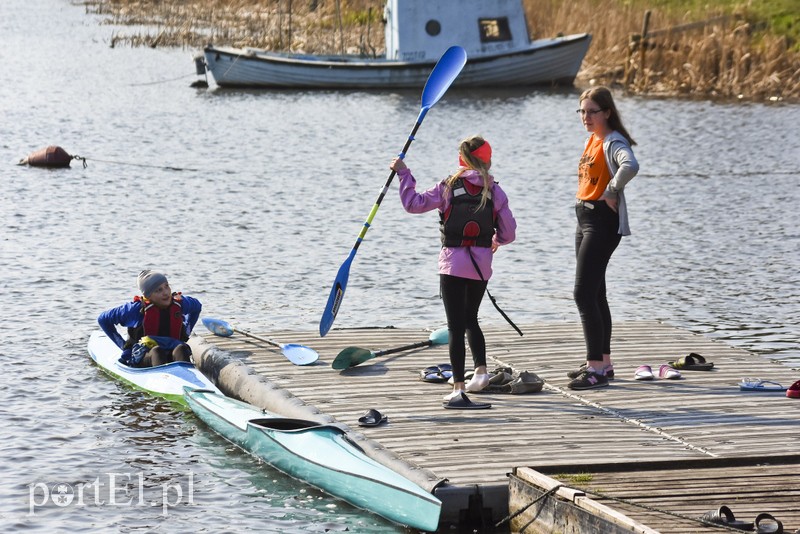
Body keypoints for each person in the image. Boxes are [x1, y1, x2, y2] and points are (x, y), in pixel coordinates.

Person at [390, 135, 517, 408]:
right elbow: (509, 234)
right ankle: (480, 373)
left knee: (455, 327)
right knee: (471, 318)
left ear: (462, 159)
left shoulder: (448, 186)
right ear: (488, 160)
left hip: (452, 264)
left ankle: (458, 389)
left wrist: (404, 173)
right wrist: (495, 241)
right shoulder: (496, 192)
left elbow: (413, 204)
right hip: (481, 267)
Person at [567, 86, 639, 390]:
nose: (586, 117)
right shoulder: (592, 139)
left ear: (607, 112)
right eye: (582, 111)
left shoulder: (613, 141)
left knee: (582, 294)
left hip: (601, 222)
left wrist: (611, 190)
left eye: (592, 112)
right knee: (596, 293)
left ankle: (594, 369)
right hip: (584, 219)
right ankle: (603, 363)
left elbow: (630, 165)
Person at [98, 270, 202, 367]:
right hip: (145, 356)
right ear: (148, 296)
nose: (166, 293)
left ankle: (187, 376)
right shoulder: (135, 310)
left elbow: (197, 307)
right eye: (158, 290)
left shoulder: (180, 303)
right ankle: (161, 378)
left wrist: (186, 332)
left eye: (166, 286)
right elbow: (103, 319)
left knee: (182, 348)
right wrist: (123, 345)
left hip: (173, 352)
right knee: (157, 351)